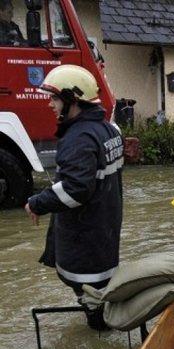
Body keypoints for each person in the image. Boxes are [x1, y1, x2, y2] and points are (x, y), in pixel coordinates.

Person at [24, 65, 123, 330]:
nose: (49, 104)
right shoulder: (109, 130)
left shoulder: (79, 138)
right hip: (105, 234)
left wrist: (36, 202)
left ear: (73, 100)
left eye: (54, 98)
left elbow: (75, 189)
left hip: (84, 240)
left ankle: (99, 338)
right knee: (100, 293)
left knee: (91, 301)